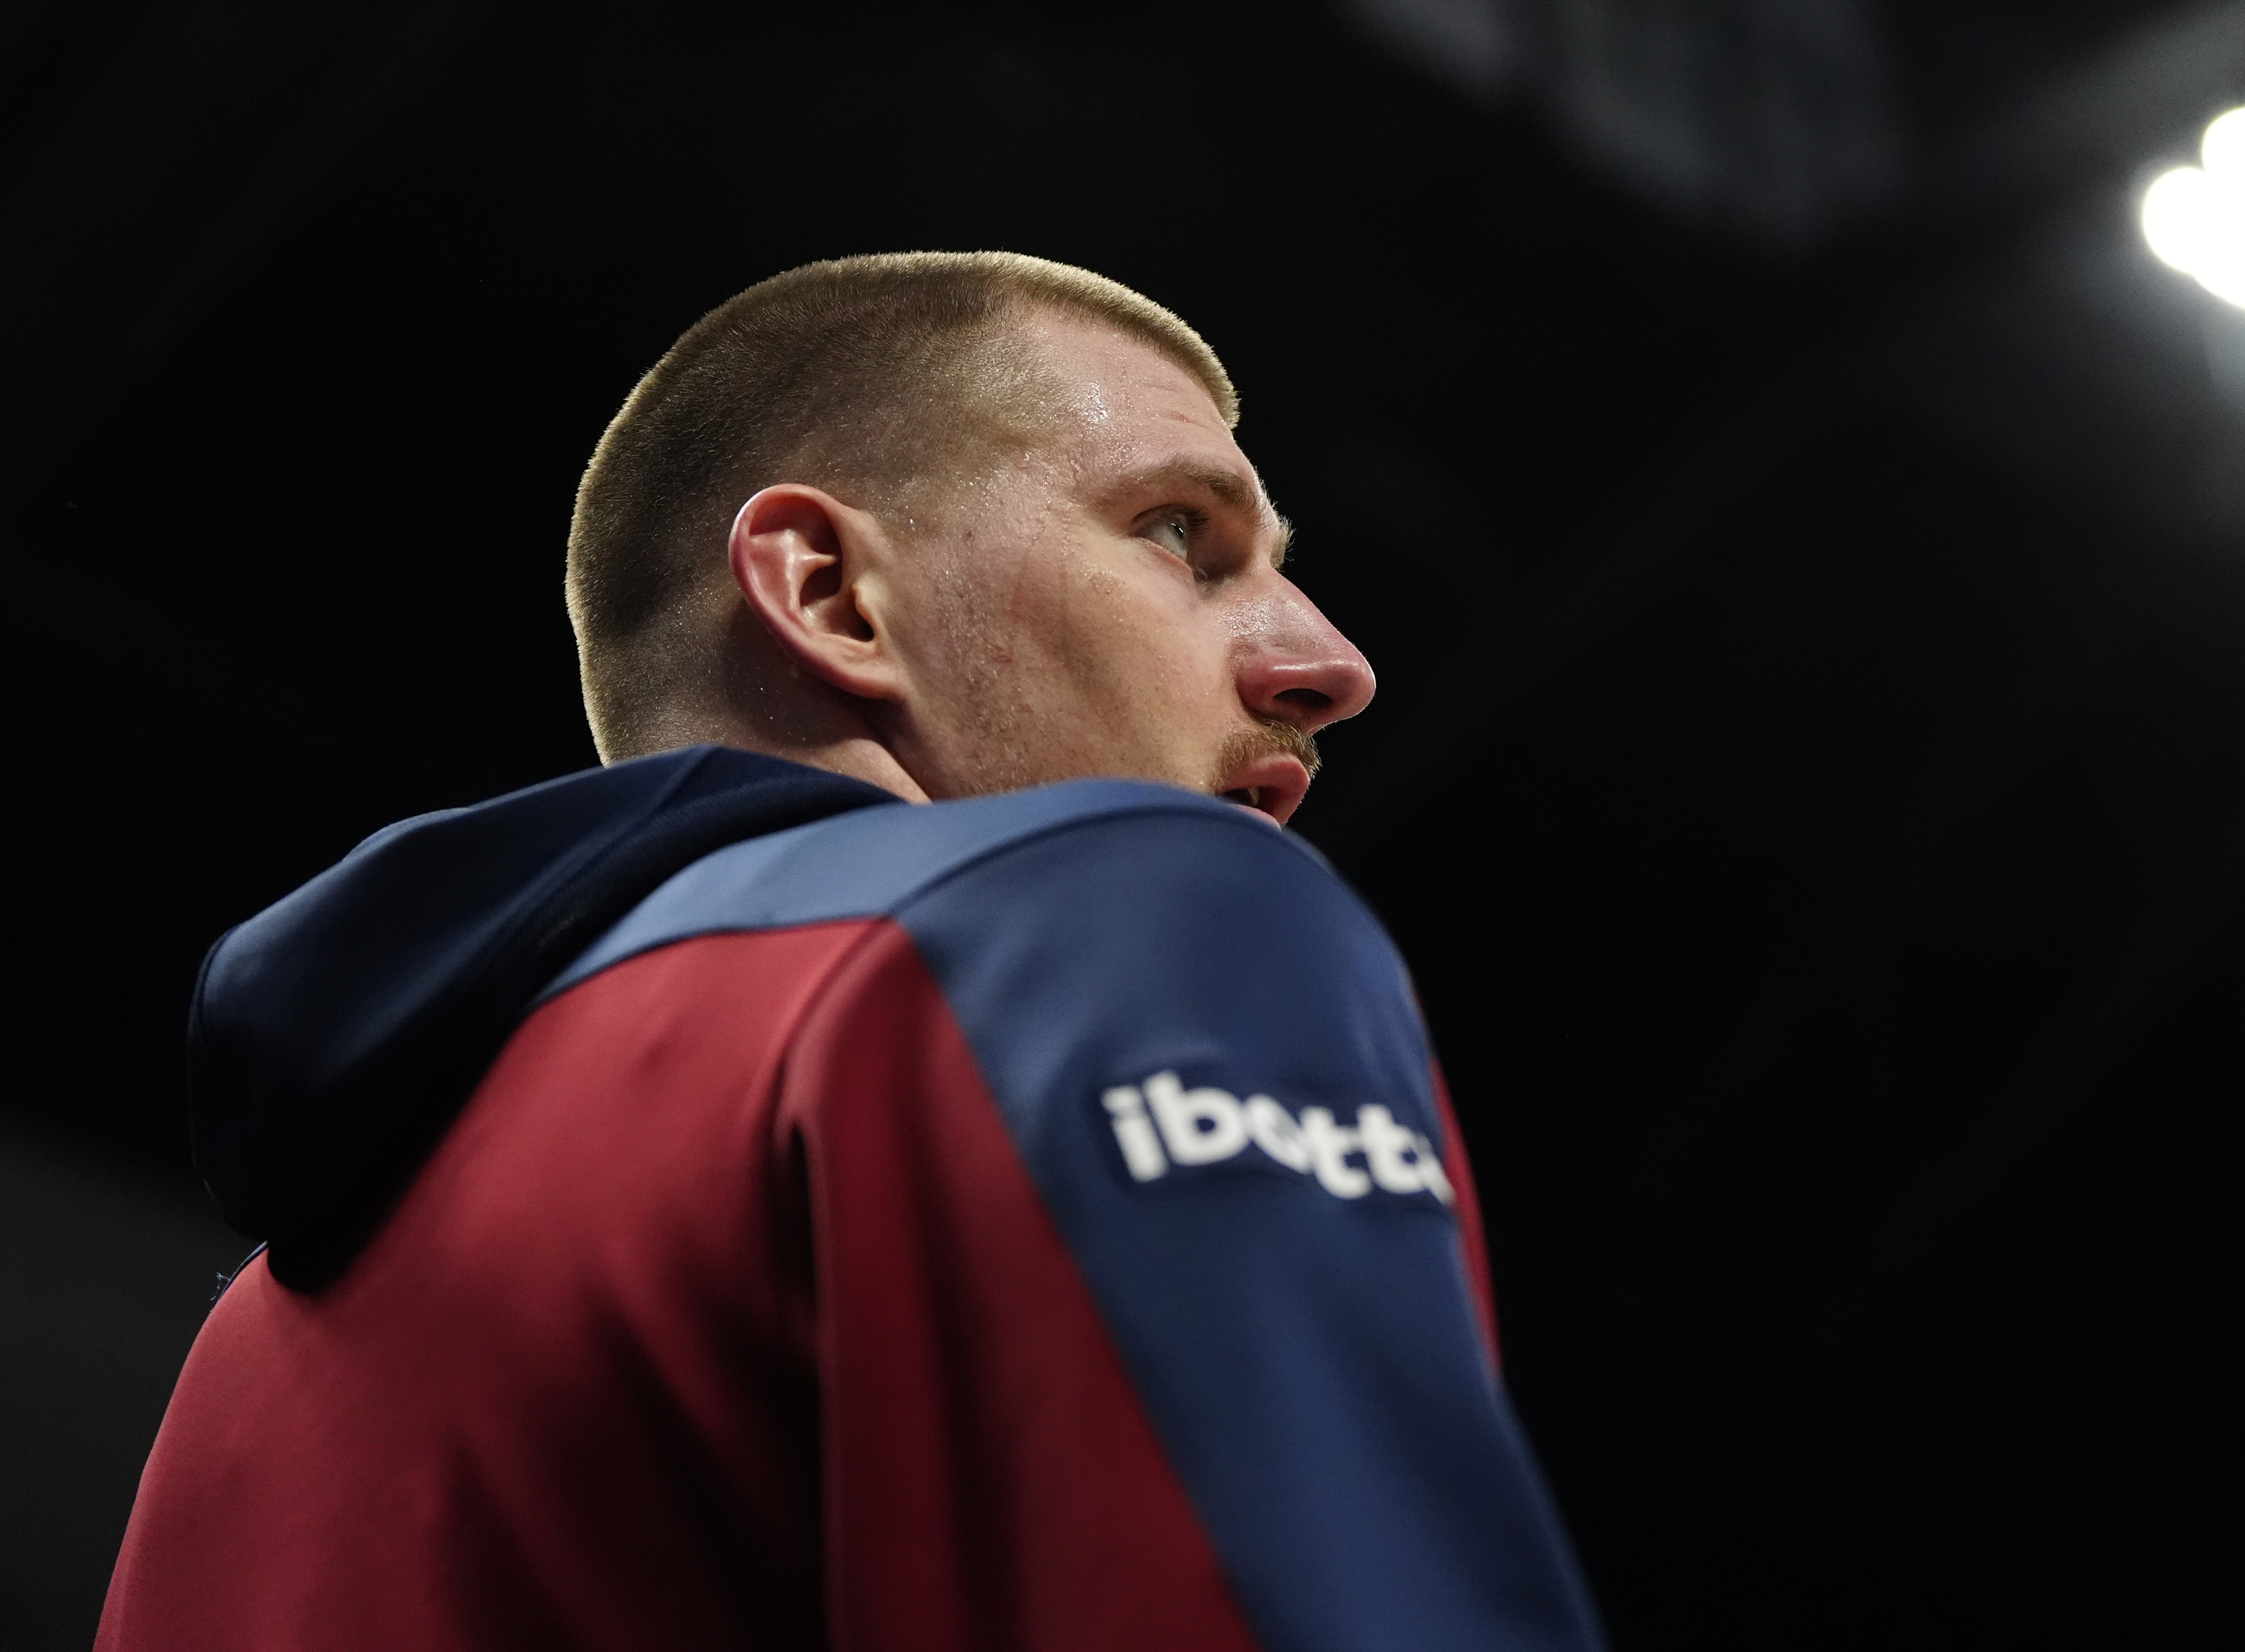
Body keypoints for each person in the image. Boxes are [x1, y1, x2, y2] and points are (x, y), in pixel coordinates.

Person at [99, 252, 1602, 1651]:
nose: (1333, 665)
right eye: (1179, 535)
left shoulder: (252, 1355)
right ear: (830, 594)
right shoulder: (1106, 924)